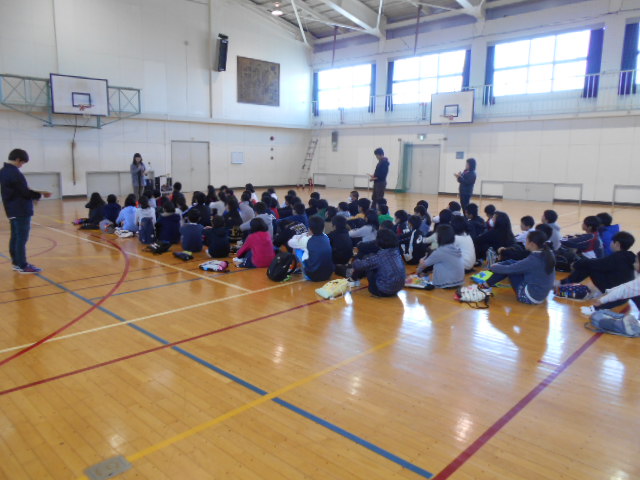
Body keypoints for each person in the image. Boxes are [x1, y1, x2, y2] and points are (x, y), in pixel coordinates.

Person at [0, 148, 51, 273]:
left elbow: (17, 190)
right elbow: (24, 192)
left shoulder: (3, 171)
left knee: (15, 237)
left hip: (11, 209)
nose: (21, 165)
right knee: (21, 238)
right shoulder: (15, 173)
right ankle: (22, 265)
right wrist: (39, 194)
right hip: (20, 210)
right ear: (18, 159)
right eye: (22, 162)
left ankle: (16, 263)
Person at [558, 231, 636, 310]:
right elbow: (602, 263)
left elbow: (596, 264)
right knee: (589, 263)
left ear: (617, 244)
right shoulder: (629, 257)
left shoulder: (618, 257)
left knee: (588, 266)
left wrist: (576, 264)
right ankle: (567, 282)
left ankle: (563, 283)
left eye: (612, 241)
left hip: (614, 292)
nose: (611, 243)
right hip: (622, 295)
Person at [481, 230, 556, 304]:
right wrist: (498, 265)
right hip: (541, 295)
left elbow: (509, 269)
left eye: (526, 240)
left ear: (532, 244)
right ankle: (486, 284)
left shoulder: (534, 259)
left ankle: (484, 286)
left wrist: (493, 266)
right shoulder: (547, 253)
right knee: (510, 263)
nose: (525, 242)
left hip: (529, 297)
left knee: (509, 269)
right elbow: (520, 264)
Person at [351, 229, 405, 297]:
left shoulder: (380, 257)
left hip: (382, 291)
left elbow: (358, 265)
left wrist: (355, 259)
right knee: (371, 260)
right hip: (398, 288)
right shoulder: (397, 252)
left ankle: (354, 279)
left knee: (367, 262)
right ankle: (355, 278)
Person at [417, 224, 465, 289]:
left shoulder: (440, 251)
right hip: (459, 282)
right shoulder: (456, 248)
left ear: (439, 237)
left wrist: (419, 267)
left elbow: (423, 265)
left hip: (444, 285)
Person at [288, 215, 334, 282]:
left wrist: (299, 237)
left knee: (296, 248)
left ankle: (295, 268)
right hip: (328, 274)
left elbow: (290, 242)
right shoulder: (326, 237)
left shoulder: (306, 240)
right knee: (309, 250)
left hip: (312, 277)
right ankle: (297, 268)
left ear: (310, 229)